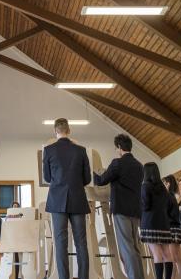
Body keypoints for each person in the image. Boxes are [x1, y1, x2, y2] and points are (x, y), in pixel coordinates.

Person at [43, 118, 91, 279]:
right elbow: (87, 179)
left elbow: (47, 177)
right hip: (78, 199)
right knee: (81, 243)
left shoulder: (49, 150)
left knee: (60, 243)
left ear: (55, 131)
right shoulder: (81, 150)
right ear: (69, 130)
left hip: (57, 201)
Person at [93, 133, 144, 279]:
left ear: (120, 147)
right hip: (135, 210)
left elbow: (102, 180)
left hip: (121, 210)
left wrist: (91, 173)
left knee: (127, 248)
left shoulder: (117, 163)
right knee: (135, 247)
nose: (116, 151)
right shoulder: (139, 166)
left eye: (116, 148)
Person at [140, 163, 174, 279]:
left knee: (156, 254)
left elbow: (145, 206)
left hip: (150, 223)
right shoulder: (164, 189)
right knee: (167, 253)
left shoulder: (145, 186)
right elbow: (168, 206)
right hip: (164, 224)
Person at [163, 175, 181, 279]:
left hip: (172, 228)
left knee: (174, 258)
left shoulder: (172, 196)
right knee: (176, 258)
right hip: (175, 227)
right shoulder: (174, 195)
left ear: (168, 183)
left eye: (164, 183)